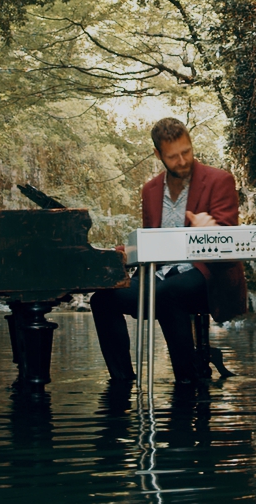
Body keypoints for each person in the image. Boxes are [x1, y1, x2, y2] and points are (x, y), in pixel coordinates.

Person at [90, 117, 247, 384]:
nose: (183, 160)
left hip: (207, 275)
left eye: (187, 151)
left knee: (167, 293)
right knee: (102, 300)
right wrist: (124, 252)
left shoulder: (220, 180)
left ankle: (187, 381)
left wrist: (212, 230)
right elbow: (150, 242)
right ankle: (122, 382)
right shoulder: (150, 191)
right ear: (158, 154)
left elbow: (228, 236)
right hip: (159, 276)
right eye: (173, 156)